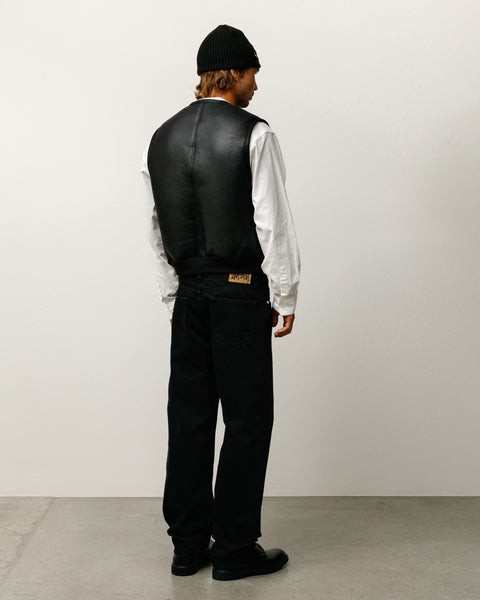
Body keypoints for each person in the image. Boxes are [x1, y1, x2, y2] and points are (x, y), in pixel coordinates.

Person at [140, 24, 301, 581]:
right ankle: (233, 548)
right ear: (232, 72)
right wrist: (285, 292)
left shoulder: (159, 138)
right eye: (253, 71)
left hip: (188, 297)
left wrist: (172, 294)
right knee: (247, 419)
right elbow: (272, 220)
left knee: (188, 419)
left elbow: (154, 228)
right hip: (238, 293)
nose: (257, 83)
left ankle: (187, 547)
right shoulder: (254, 134)